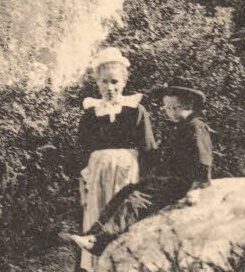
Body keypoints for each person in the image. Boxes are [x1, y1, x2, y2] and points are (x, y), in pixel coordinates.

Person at [63, 79, 212, 259]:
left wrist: (197, 187)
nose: (171, 113)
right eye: (167, 108)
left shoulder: (195, 127)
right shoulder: (176, 128)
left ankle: (100, 240)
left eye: (176, 108)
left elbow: (203, 160)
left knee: (134, 200)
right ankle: (94, 234)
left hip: (181, 183)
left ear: (189, 106)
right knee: (125, 191)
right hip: (166, 180)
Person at [73, 47, 157, 272]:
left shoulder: (135, 111)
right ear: (96, 83)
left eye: (114, 81)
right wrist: (82, 181)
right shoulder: (90, 114)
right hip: (97, 176)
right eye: (104, 82)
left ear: (124, 81)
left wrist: (144, 182)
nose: (109, 88)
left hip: (126, 175)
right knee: (96, 220)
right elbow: (81, 150)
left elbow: (148, 148)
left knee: (123, 218)